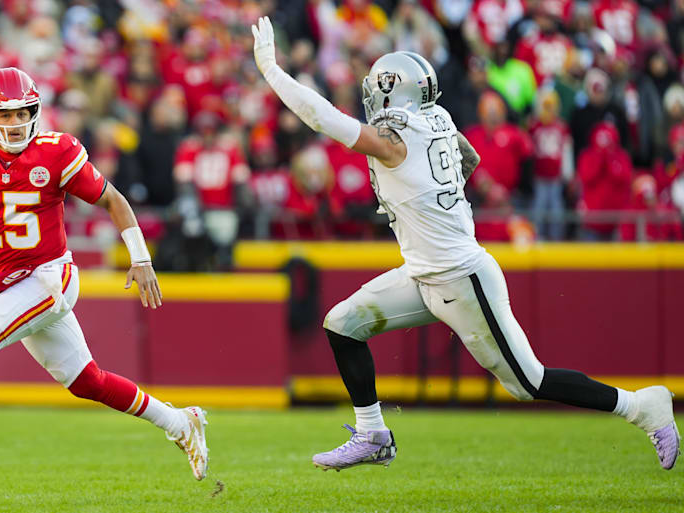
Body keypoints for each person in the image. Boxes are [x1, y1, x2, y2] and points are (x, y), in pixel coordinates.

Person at [250, 17, 680, 472]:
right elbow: (468, 158)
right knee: (343, 324)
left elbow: (324, 119)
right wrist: (439, 201)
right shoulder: (437, 117)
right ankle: (372, 433)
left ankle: (640, 406)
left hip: (461, 277)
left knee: (527, 383)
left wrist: (273, 72)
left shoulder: (397, 140)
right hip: (425, 273)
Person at [0, 67, 208, 488]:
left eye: (22, 113)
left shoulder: (56, 150)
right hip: (15, 278)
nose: (15, 123)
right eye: (5, 115)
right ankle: (180, 421)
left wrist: (140, 259)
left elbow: (113, 200)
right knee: (88, 381)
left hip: (50, 275)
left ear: (35, 110)